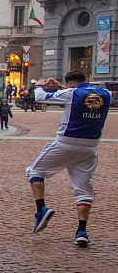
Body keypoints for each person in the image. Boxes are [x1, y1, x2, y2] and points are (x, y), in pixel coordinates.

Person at [27, 71, 111, 247]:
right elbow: (82, 95)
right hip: (90, 148)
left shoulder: (71, 93)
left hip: (66, 143)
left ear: (70, 84)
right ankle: (82, 231)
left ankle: (41, 210)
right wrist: (62, 87)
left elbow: (40, 97)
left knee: (34, 171)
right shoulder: (105, 94)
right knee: (83, 190)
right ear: (87, 80)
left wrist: (39, 85)